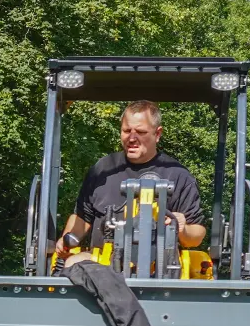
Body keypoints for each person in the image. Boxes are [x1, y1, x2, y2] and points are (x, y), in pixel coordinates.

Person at [56, 100, 205, 264]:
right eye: (126, 131)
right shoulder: (104, 169)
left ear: (157, 134)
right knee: (72, 263)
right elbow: (83, 217)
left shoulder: (178, 175)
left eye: (140, 132)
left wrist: (181, 228)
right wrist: (67, 240)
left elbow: (196, 235)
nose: (132, 138)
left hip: (161, 271)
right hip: (102, 266)